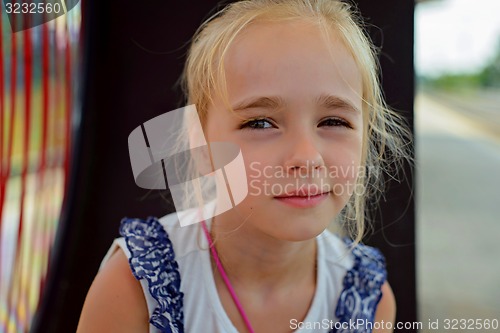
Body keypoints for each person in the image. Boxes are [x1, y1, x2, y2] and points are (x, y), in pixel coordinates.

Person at [77, 0, 411, 332]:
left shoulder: (369, 302)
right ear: (201, 145)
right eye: (261, 123)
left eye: (334, 121)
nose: (307, 157)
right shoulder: (137, 286)